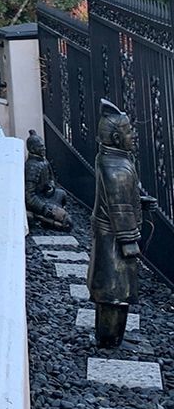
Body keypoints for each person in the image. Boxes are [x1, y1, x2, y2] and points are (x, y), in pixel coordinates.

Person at [87, 100, 142, 349]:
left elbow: (122, 197)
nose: (134, 135)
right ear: (117, 138)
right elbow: (119, 208)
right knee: (115, 291)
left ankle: (110, 336)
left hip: (109, 236)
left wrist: (140, 200)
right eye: (129, 131)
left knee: (114, 291)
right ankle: (109, 339)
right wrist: (129, 240)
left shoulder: (111, 159)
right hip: (115, 239)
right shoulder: (115, 167)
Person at [24, 129, 72, 231]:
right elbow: (29, 196)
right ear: (32, 148)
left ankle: (51, 217)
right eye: (41, 147)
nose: (44, 148)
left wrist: (51, 186)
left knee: (62, 194)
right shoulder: (31, 167)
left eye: (43, 146)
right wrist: (43, 208)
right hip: (39, 201)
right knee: (67, 222)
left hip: (46, 195)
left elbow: (51, 178)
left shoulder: (44, 161)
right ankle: (43, 219)